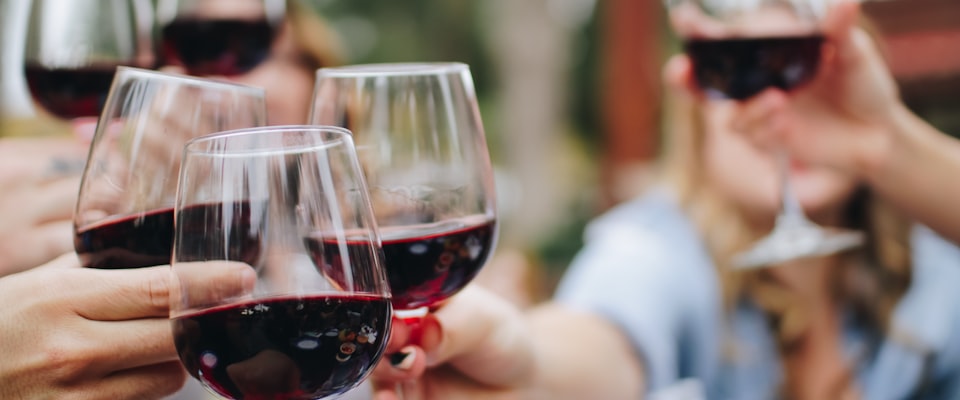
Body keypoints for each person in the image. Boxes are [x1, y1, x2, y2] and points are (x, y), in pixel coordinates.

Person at [370, 1, 960, 399]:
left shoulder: (936, 259)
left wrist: (882, 143)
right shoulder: (657, 246)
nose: (781, 111)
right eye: (747, 89)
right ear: (698, 121)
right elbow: (605, 336)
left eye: (806, 82)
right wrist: (526, 360)